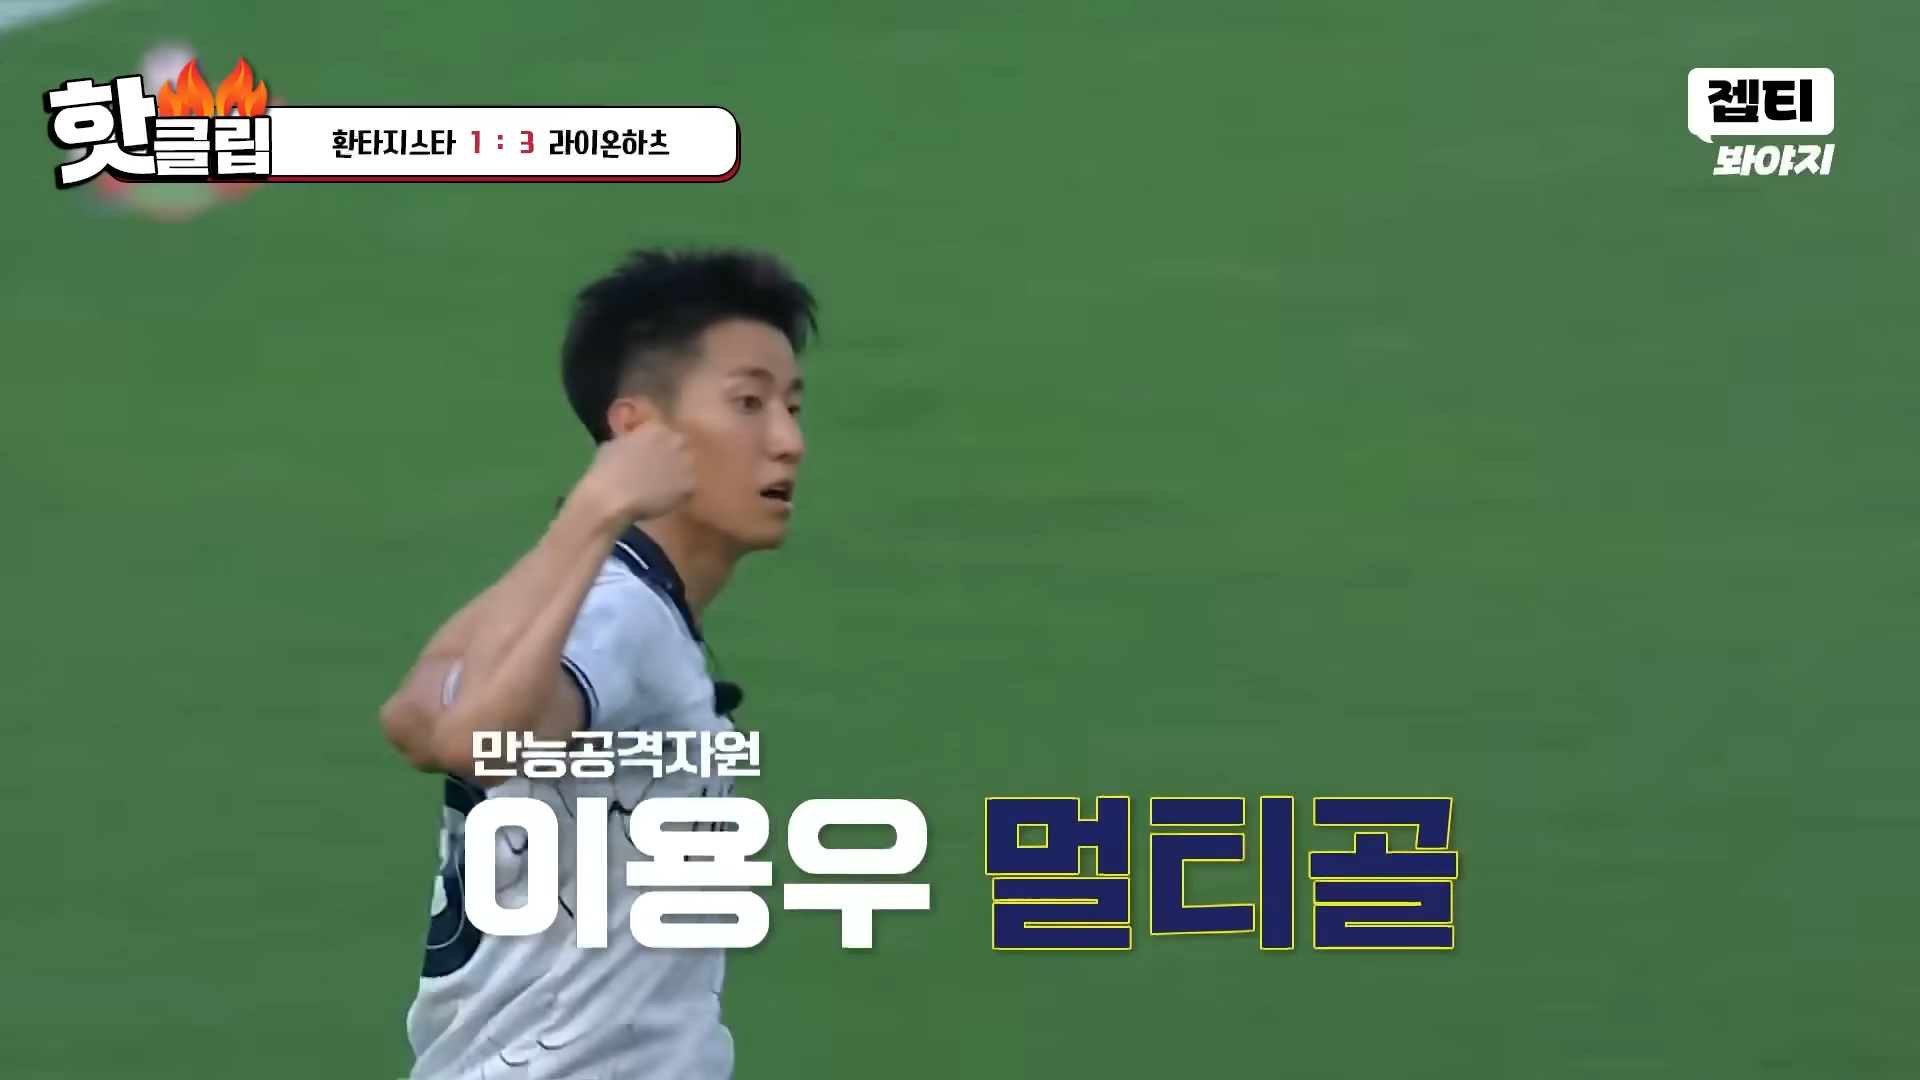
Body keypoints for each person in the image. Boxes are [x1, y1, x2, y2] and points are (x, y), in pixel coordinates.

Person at [378, 247, 816, 1079]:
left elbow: (413, 717)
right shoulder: (619, 615)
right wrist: (599, 505)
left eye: (792, 407)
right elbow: (475, 742)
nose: (788, 442)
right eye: (748, 403)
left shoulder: (588, 593)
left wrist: (588, 520)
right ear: (639, 431)